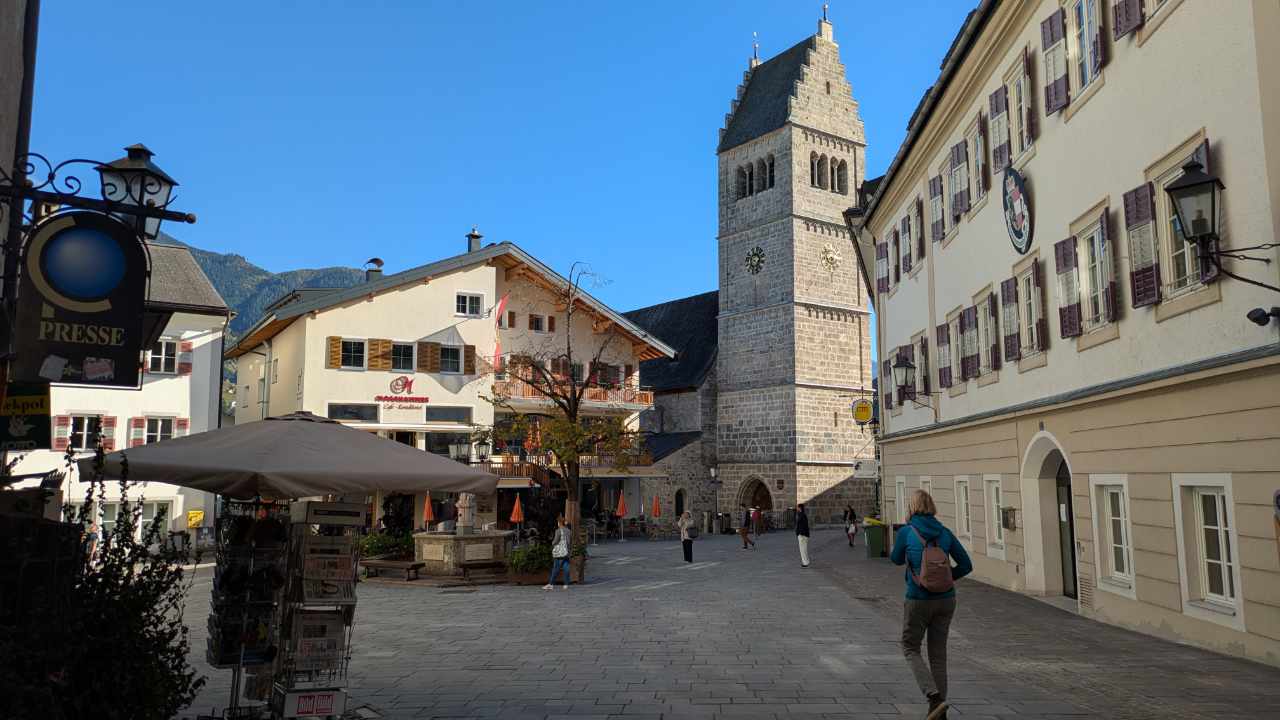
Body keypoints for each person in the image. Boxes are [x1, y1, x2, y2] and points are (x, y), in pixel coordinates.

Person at [890, 490, 973, 720]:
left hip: (918, 598)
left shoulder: (907, 532)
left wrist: (926, 580)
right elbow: (966, 565)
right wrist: (945, 580)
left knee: (910, 647)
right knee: (938, 655)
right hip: (947, 600)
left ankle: (933, 697)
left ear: (912, 507)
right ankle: (939, 712)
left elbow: (895, 559)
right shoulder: (945, 532)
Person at [544, 515, 573, 590]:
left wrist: (552, 543)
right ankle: (566, 584)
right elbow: (570, 542)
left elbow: (555, 541)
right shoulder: (569, 531)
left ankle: (551, 584)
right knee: (566, 568)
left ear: (559, 523)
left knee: (556, 568)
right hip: (566, 551)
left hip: (559, 553)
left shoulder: (558, 531)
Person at [795, 503, 811, 567]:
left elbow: (803, 525)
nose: (796, 508)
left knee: (803, 549)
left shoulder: (802, 515)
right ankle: (806, 561)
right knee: (804, 549)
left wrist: (800, 533)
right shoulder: (802, 515)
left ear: (800, 508)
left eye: (797, 507)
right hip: (804, 534)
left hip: (802, 535)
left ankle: (805, 562)